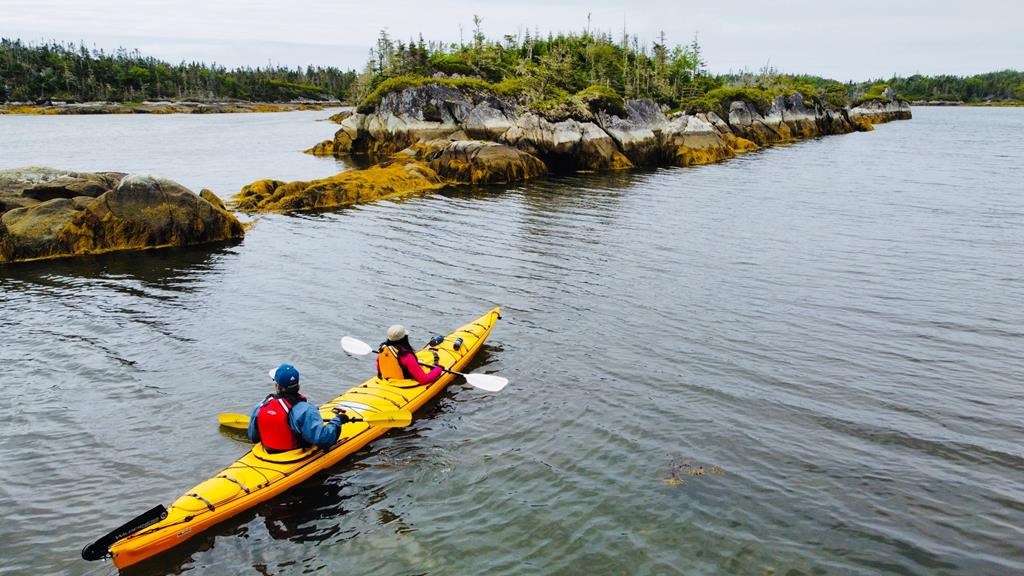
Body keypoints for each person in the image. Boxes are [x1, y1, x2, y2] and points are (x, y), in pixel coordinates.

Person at [248, 363, 348, 452]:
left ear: (277, 387)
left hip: (268, 453)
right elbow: (323, 440)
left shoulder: (260, 406)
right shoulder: (306, 409)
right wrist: (337, 421)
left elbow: (253, 437)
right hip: (294, 454)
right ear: (298, 386)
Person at [376, 324, 444, 385]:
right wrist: (439, 369)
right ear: (404, 338)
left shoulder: (383, 349)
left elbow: (379, 369)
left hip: (387, 381)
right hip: (403, 384)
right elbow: (424, 380)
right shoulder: (406, 355)